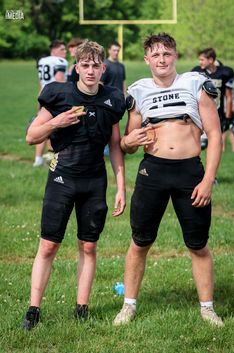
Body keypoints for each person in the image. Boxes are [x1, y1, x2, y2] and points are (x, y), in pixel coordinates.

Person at [113, 33, 223, 327]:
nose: (162, 60)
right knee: (140, 242)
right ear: (147, 59)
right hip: (153, 172)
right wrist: (129, 141)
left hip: (190, 173)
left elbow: (214, 135)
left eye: (167, 54)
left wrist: (208, 178)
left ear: (175, 56)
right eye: (156, 55)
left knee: (198, 244)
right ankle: (129, 305)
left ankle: (208, 308)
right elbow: (127, 143)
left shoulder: (195, 84)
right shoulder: (139, 91)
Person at [22, 40, 126, 330]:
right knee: (48, 245)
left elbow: (115, 145)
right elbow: (32, 136)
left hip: (95, 179)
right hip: (62, 177)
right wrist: (58, 122)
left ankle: (82, 308)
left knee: (89, 246)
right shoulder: (59, 94)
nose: (91, 70)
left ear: (103, 68)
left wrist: (121, 186)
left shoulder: (113, 98)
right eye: (85, 65)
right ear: (76, 67)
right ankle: (33, 309)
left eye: (96, 65)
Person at [33, 39, 68, 167]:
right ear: (53, 50)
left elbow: (41, 82)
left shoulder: (43, 61)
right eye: (62, 49)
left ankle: (38, 160)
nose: (65, 52)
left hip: (43, 96)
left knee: (40, 128)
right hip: (55, 99)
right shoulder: (60, 61)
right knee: (53, 131)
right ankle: (51, 163)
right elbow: (59, 81)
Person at [192, 48, 234, 152]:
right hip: (201, 113)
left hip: (218, 111)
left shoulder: (225, 72)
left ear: (210, 60)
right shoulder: (197, 72)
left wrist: (228, 118)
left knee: (215, 144)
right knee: (200, 145)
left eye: (202, 59)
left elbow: (228, 96)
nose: (199, 62)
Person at [100, 41, 126, 156]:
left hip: (118, 100)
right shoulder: (105, 65)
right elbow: (100, 83)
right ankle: (105, 149)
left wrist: (124, 96)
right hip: (107, 99)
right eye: (114, 50)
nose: (116, 52)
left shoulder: (121, 66)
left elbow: (123, 82)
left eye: (118, 50)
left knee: (115, 125)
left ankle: (115, 147)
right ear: (109, 50)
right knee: (105, 124)